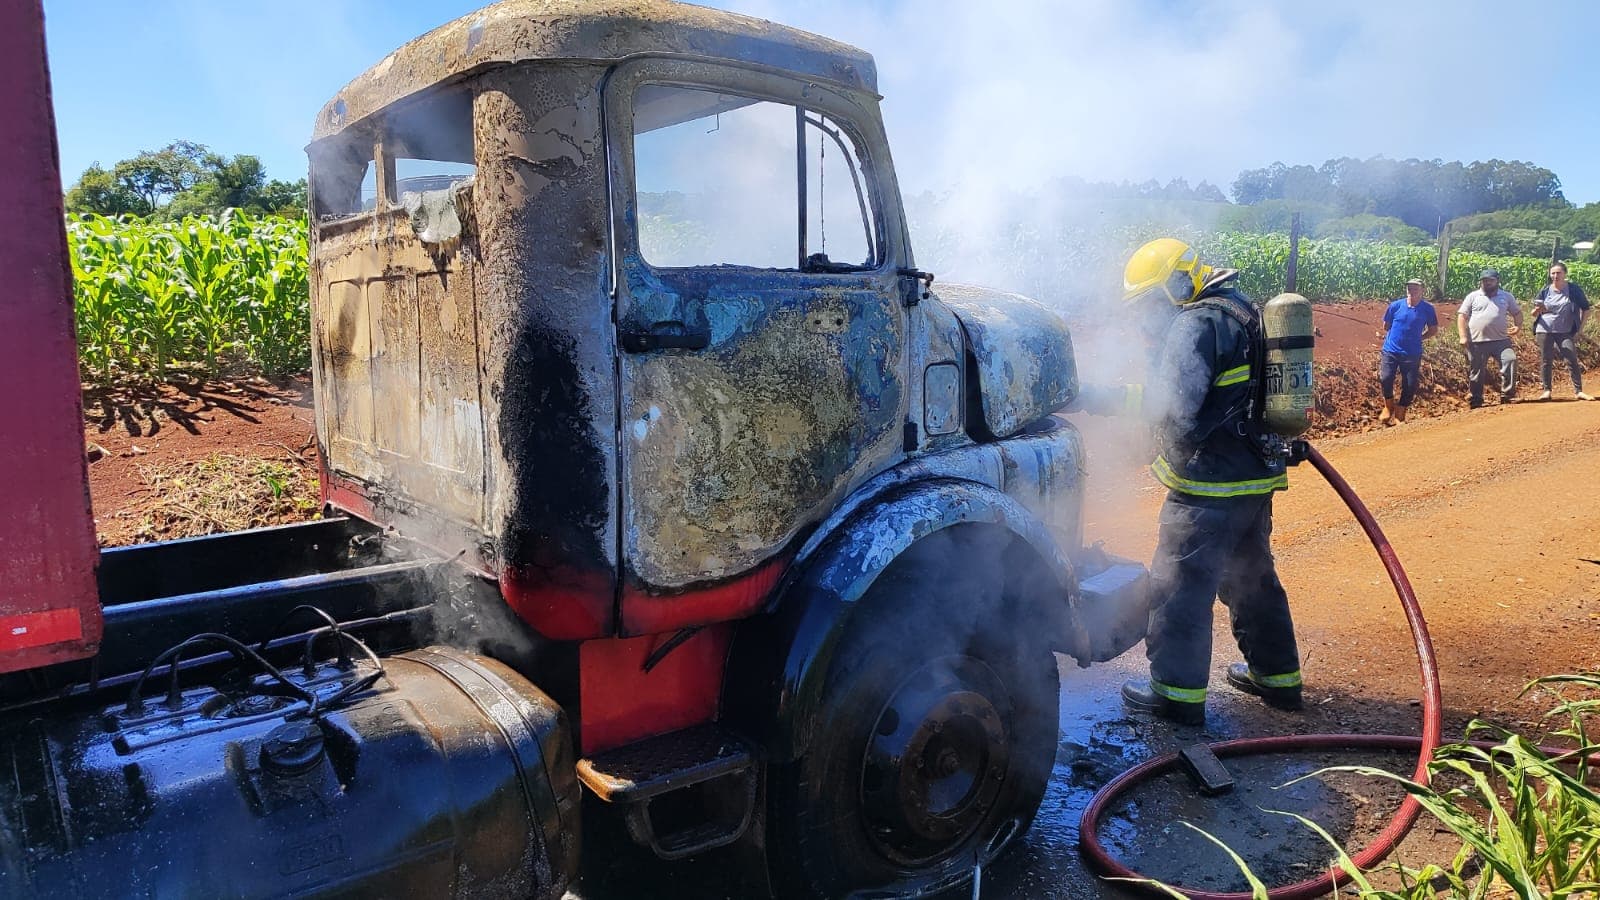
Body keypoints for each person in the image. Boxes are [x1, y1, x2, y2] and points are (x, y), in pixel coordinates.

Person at [1113, 238, 1303, 726]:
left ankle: (1175, 694)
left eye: (1152, 303)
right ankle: (1278, 678)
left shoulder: (1194, 322)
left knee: (1179, 586)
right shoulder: (1241, 308)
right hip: (1254, 478)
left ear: (1176, 285)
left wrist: (1104, 397)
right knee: (1252, 579)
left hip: (1207, 486)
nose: (1149, 317)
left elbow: (1173, 405)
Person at [1457, 269, 1523, 408]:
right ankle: (1476, 399)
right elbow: (1462, 316)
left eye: (1490, 280)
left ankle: (1507, 395)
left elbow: (1517, 313)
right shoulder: (1473, 296)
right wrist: (1463, 336)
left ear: (1497, 281)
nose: (1487, 283)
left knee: (1510, 360)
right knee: (1476, 371)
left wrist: (1518, 327)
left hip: (1501, 341)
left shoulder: (1506, 296)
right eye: (1484, 280)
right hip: (1477, 342)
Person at [1378, 278, 1439, 425]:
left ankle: (1400, 412)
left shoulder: (1428, 309)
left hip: (1412, 353)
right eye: (1410, 288)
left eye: (1416, 288)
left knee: (1410, 384)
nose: (1412, 291)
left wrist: (1419, 338)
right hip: (1391, 350)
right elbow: (1386, 326)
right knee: (1385, 378)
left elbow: (1433, 330)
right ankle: (1388, 406)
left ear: (1422, 290)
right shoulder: (1395, 306)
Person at [1532, 262, 1592, 401]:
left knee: (1571, 357)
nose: (1555, 276)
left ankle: (1578, 391)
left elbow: (1586, 309)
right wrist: (1537, 309)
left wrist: (1580, 329)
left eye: (1558, 273)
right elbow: (1534, 313)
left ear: (1565, 274)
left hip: (1565, 330)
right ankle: (1547, 391)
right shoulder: (1545, 290)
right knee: (1546, 359)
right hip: (1544, 329)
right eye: (1553, 273)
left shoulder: (1574, 290)